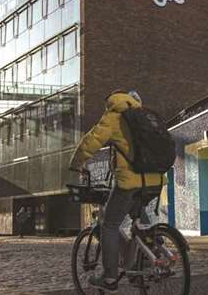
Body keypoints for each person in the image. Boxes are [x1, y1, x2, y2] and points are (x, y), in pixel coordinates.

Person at [69, 90, 165, 293]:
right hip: (154, 182)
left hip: (130, 182)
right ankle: (140, 260)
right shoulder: (146, 118)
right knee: (138, 225)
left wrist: (77, 163)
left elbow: (91, 141)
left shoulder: (114, 116)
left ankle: (110, 277)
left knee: (109, 225)